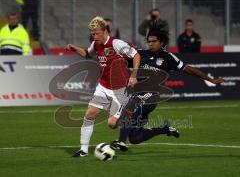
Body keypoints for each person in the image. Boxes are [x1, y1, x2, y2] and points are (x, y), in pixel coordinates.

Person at [111, 28, 224, 151]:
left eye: (154, 41)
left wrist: (209, 79)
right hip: (137, 93)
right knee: (135, 138)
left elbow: (188, 69)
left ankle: (121, 142)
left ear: (161, 42)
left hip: (152, 96)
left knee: (131, 108)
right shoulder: (141, 54)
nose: (150, 44)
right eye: (149, 41)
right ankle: (164, 129)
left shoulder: (168, 57)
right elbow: (121, 59)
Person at [64, 16, 141, 157]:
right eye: (92, 34)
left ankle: (128, 110)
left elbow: (136, 56)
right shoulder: (96, 44)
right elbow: (88, 54)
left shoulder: (117, 43)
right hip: (104, 86)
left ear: (105, 31)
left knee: (112, 124)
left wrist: (134, 75)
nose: (94, 36)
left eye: (97, 33)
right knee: (89, 114)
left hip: (120, 89)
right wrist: (75, 49)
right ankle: (83, 150)